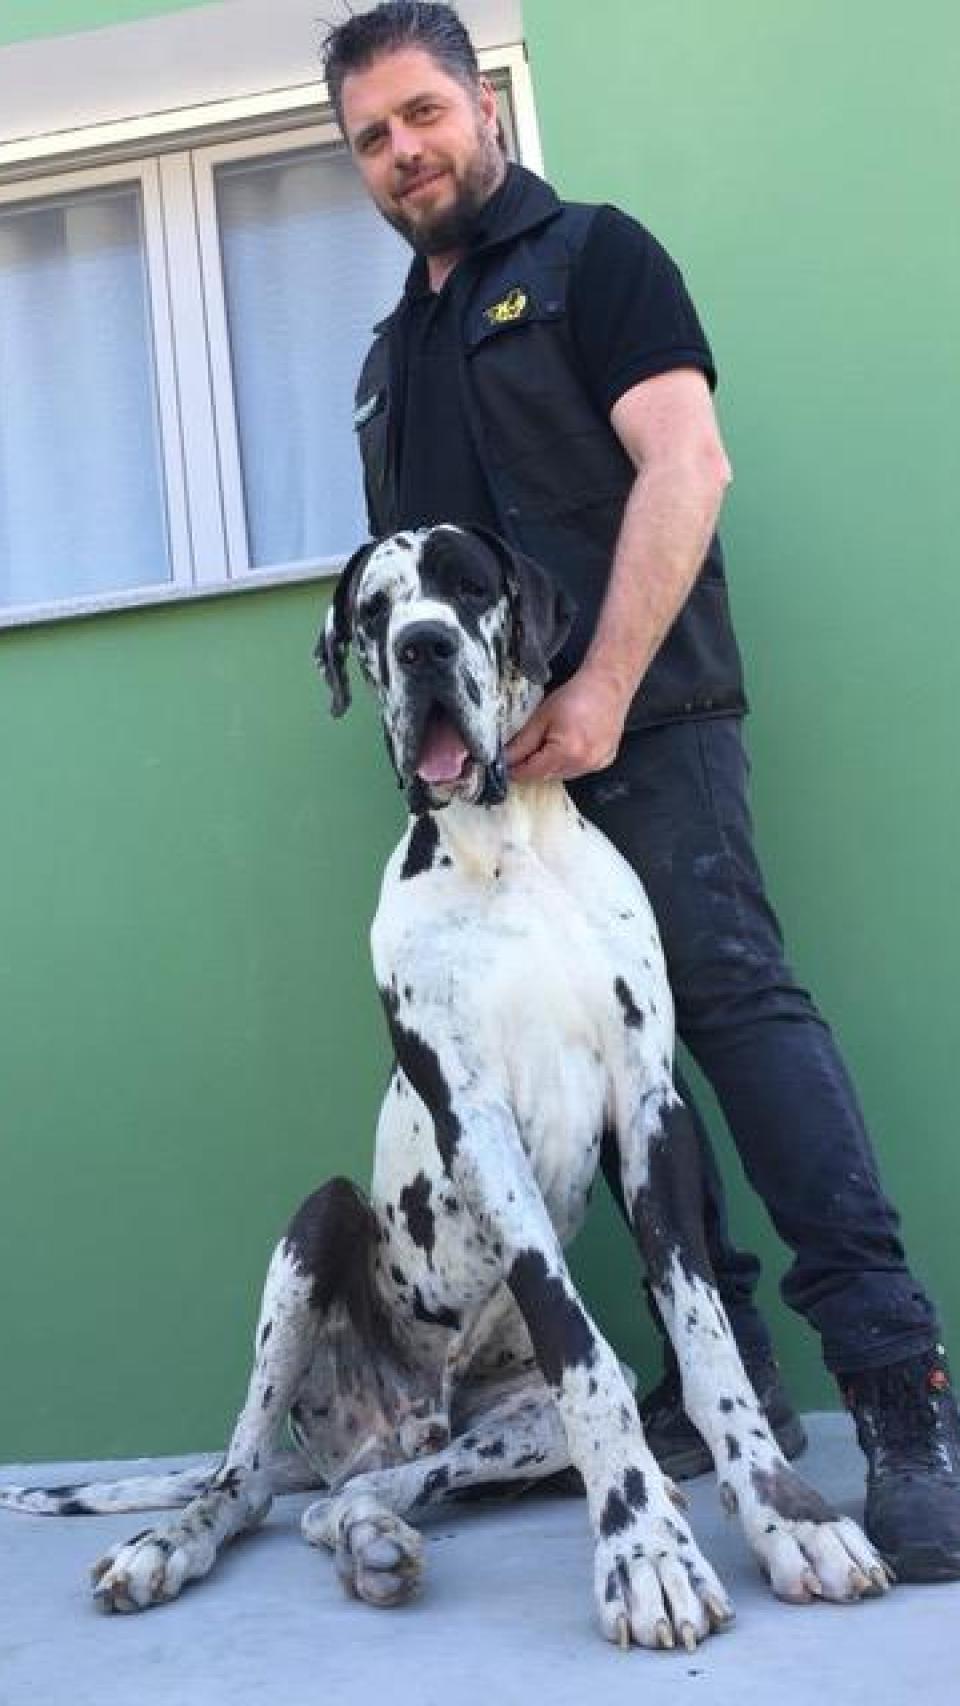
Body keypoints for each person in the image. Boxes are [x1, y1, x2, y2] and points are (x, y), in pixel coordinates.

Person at [320, 0, 960, 1580]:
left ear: (482, 104)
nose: (404, 151)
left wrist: (599, 687)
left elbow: (688, 465)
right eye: (370, 138)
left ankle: (899, 1402)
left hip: (649, 729)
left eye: (421, 113)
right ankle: (709, 1391)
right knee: (590, 1094)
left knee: (733, 1018)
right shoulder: (388, 361)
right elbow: (419, 593)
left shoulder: (600, 258)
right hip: (492, 808)